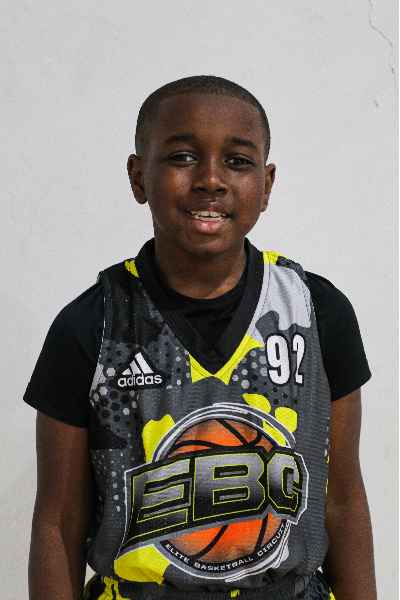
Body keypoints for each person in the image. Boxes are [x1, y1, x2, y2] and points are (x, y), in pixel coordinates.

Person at [25, 76, 377, 600]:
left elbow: (343, 500)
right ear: (138, 177)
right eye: (183, 158)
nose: (211, 179)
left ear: (267, 184)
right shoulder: (92, 326)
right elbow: (59, 522)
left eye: (237, 161)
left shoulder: (316, 313)